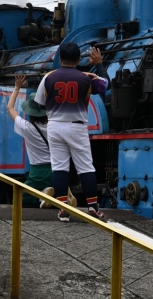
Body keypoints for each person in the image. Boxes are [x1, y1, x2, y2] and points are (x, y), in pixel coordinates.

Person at [34, 44, 108, 222]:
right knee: (85, 168)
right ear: (79, 59)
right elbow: (105, 85)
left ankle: (63, 209)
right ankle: (93, 208)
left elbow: (39, 104)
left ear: (60, 59)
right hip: (77, 126)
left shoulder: (48, 77)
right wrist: (99, 64)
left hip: (54, 125)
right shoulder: (87, 77)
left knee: (59, 168)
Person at [7, 74, 54, 207]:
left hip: (38, 172)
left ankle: (41, 197)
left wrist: (17, 88)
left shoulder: (26, 127)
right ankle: (55, 196)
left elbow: (10, 108)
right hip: (56, 169)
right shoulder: (53, 126)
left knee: (18, 200)